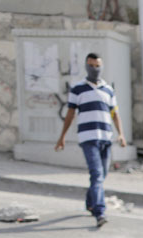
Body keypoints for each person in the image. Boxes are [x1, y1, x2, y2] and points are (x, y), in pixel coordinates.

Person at [54, 52, 127, 228]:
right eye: (91, 65)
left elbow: (114, 114)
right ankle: (100, 212)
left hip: (106, 138)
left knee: (102, 174)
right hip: (88, 138)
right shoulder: (78, 89)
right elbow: (70, 114)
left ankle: (90, 202)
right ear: (86, 66)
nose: (94, 69)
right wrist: (62, 137)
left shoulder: (108, 89)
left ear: (101, 67)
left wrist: (121, 134)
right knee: (97, 174)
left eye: (97, 66)